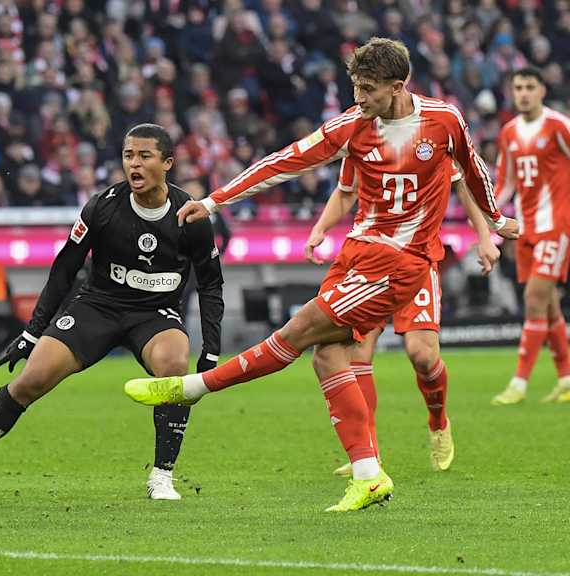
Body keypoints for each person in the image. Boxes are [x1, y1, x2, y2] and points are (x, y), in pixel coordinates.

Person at [123, 38, 518, 512]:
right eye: (355, 87)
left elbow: (471, 169)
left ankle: (188, 389)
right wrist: (213, 200)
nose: (358, 98)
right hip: (355, 254)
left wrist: (493, 221)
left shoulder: (443, 119)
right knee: (327, 356)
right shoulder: (354, 126)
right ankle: (369, 475)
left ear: (398, 87)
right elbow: (288, 160)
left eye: (368, 89)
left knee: (301, 331)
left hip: (400, 263)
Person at [0, 124, 224, 500]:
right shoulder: (103, 206)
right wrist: (33, 332)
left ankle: (161, 477)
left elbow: (211, 284)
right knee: (30, 380)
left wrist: (210, 348)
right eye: (129, 155)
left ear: (168, 163)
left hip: (155, 313)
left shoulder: (189, 216)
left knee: (173, 367)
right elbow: (64, 269)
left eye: (145, 156)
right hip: (98, 306)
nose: (135, 164)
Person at [305, 159, 498, 475]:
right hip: (369, 261)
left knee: (421, 355)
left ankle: (438, 422)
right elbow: (344, 191)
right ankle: (370, 455)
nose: (364, 105)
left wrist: (485, 236)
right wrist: (320, 229)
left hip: (417, 260)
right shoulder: (361, 135)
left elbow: (463, 182)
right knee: (358, 353)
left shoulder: (429, 130)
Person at [490, 67, 570, 405]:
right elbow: (505, 182)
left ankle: (519, 383)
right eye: (518, 87)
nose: (523, 93)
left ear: (541, 90)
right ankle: (567, 378)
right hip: (525, 227)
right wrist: (488, 212)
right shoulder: (508, 133)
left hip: (557, 225)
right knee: (548, 307)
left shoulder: (558, 125)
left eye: (529, 87)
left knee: (535, 299)